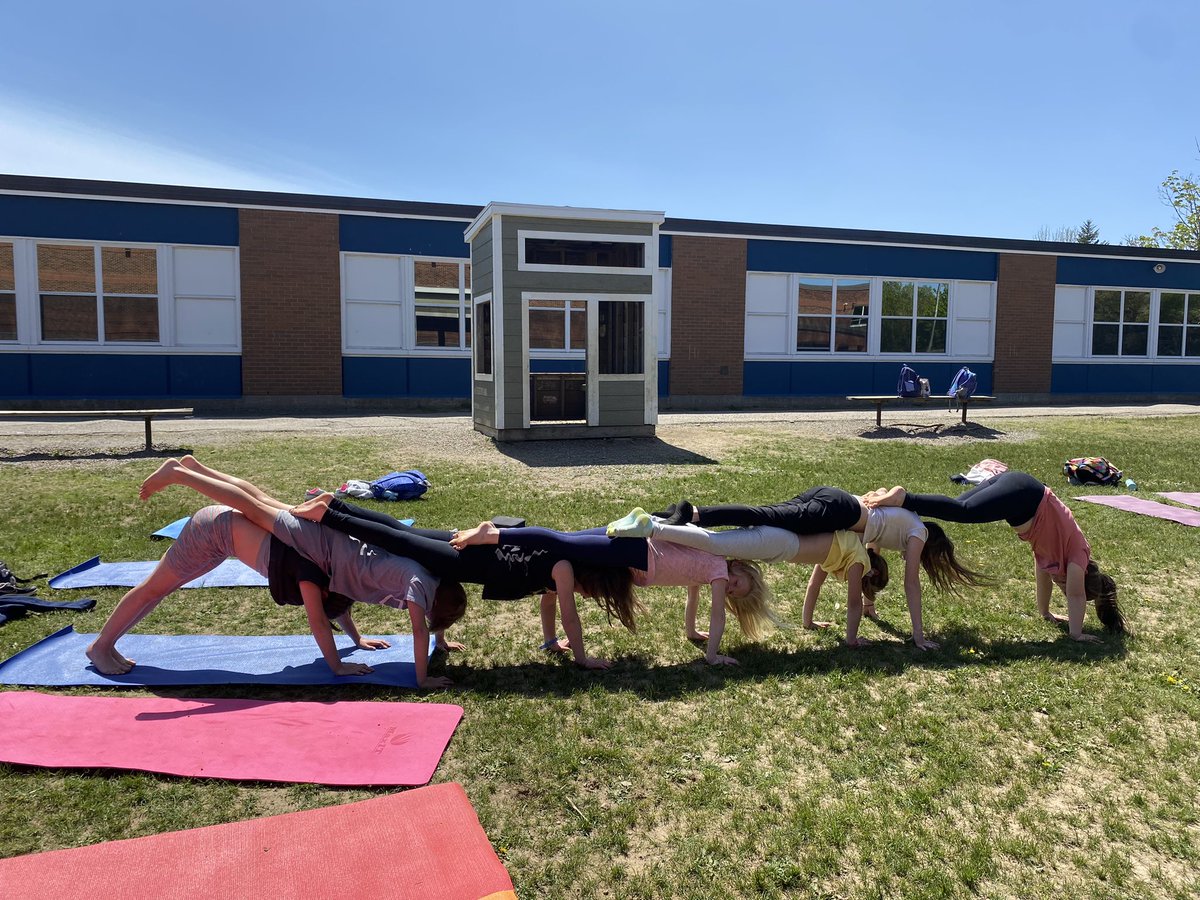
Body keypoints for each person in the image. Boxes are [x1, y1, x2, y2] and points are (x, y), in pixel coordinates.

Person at [138, 457, 467, 687]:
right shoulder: (418, 587)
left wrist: (441, 640)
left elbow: (431, 621)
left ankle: (197, 469)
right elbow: (419, 631)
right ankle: (180, 475)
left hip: (335, 541)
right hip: (322, 546)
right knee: (252, 507)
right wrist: (422, 680)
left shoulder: (430, 575)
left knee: (261, 499)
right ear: (434, 607)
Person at [290, 492, 644, 671]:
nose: (583, 597)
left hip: (467, 551)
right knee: (397, 540)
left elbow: (548, 604)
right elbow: (571, 617)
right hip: (464, 557)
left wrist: (551, 642)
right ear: (591, 579)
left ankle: (334, 504)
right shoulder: (565, 569)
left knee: (399, 530)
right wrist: (582, 658)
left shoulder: (559, 571)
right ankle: (329, 514)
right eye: (591, 592)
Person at [84, 504, 390, 678]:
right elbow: (319, 622)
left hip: (219, 530)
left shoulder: (329, 571)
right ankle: (101, 647)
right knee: (154, 589)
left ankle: (107, 644)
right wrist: (337, 665)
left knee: (159, 589)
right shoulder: (311, 575)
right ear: (325, 594)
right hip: (212, 531)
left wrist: (357, 639)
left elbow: (338, 605)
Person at [658, 487, 986, 650]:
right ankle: (694, 514)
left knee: (768, 517)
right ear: (931, 548)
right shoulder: (917, 533)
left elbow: (869, 556)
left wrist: (869, 606)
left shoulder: (898, 531)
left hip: (835, 502)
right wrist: (917, 637)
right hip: (839, 510)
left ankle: (675, 515)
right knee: (766, 517)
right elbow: (910, 584)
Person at [449, 521, 779, 665]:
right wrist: (712, 655)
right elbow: (717, 616)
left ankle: (495, 537)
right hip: (637, 553)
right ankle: (492, 535)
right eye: (738, 583)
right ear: (739, 567)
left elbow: (693, 596)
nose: (730, 590)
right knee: (560, 543)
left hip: (636, 551)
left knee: (564, 544)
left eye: (734, 593)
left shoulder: (710, 565)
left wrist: (692, 632)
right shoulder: (719, 569)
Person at [865, 470, 1127, 641]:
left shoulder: (1059, 554)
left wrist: (1045, 612)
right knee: (964, 511)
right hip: (1026, 496)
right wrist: (1076, 633)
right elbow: (1077, 595)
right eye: (1066, 587)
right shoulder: (1078, 556)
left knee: (959, 506)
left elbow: (1042, 571)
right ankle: (904, 497)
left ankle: (888, 507)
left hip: (1021, 489)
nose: (1063, 587)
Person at [634, 514, 887, 648]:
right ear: (872, 573)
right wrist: (852, 640)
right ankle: (658, 524)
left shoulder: (841, 551)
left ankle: (663, 525)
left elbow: (814, 585)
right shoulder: (858, 561)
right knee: (713, 541)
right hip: (780, 546)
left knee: (713, 544)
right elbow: (854, 604)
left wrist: (808, 622)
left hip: (782, 545)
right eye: (869, 590)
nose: (863, 592)